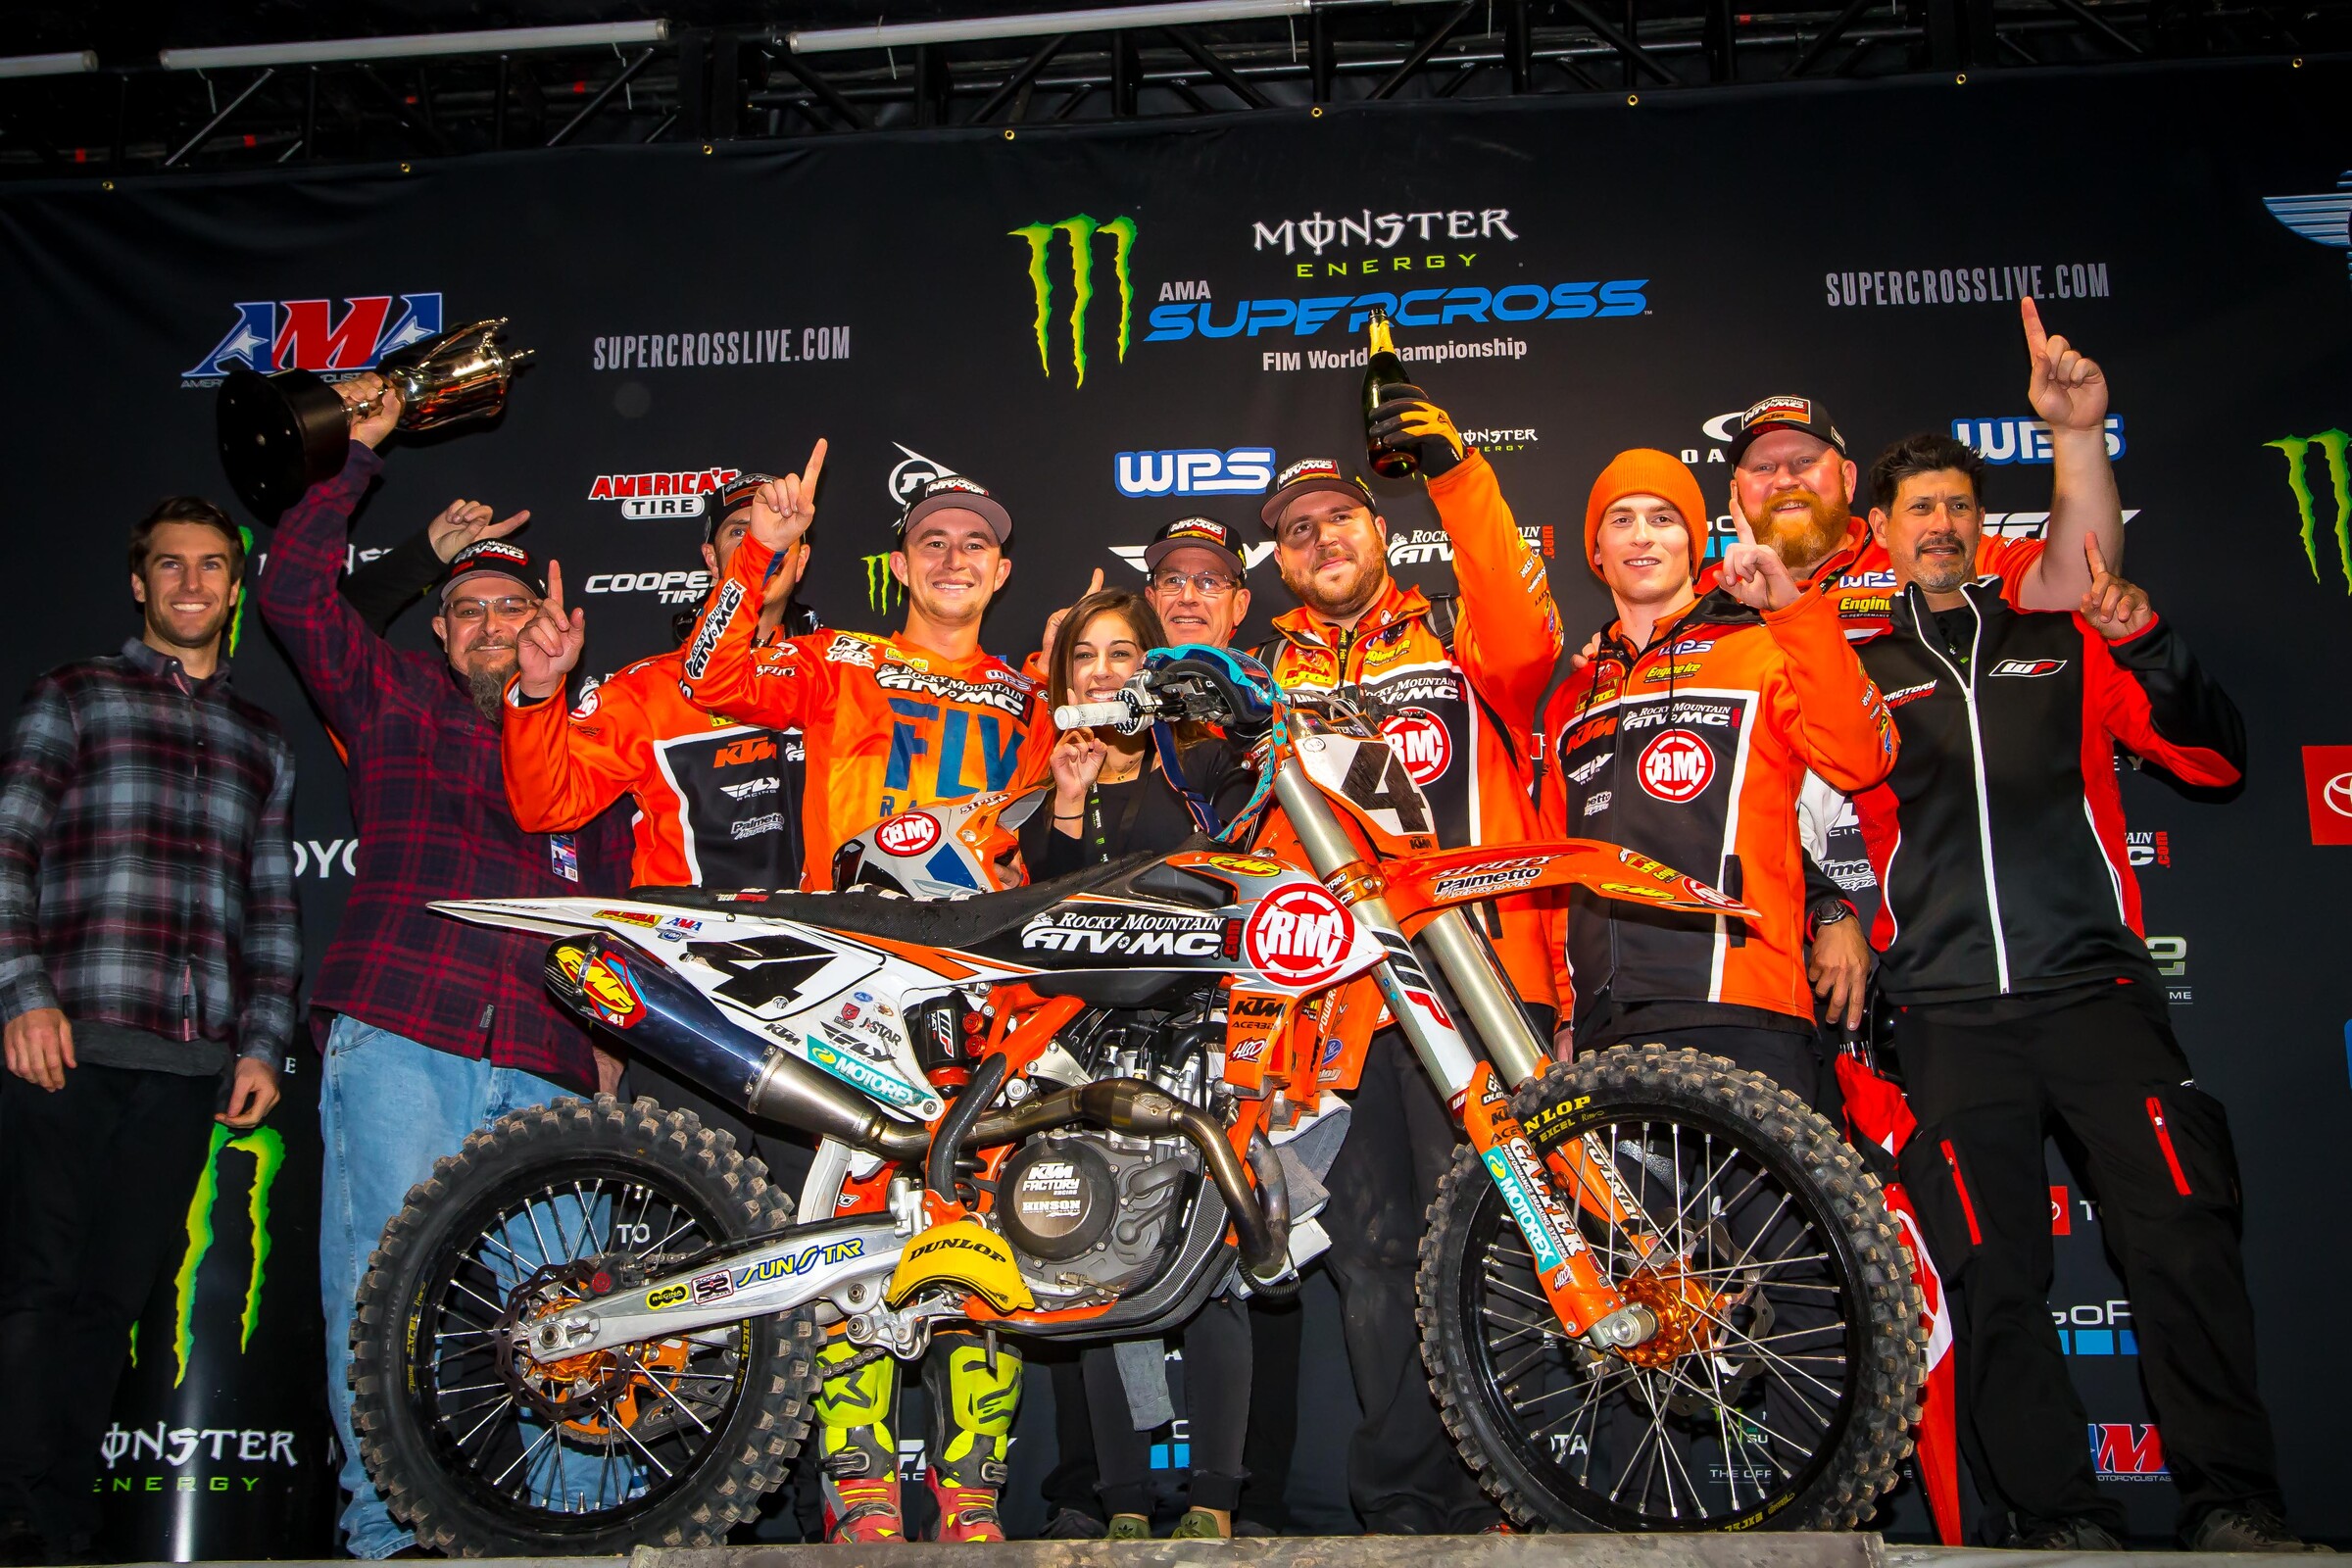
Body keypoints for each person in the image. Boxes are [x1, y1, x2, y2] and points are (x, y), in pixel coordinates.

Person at [1850, 433, 2314, 1553]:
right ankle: (2062, 1519)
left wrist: (2145, 640)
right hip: (1947, 1013)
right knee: (1989, 1272)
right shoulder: (1857, 671)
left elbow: (2213, 760)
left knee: (2183, 1241)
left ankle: (2234, 1503)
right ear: (1879, 529)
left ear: (1985, 523)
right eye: (1919, 509)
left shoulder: (2062, 638)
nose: (1942, 527)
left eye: (1960, 506)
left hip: (2096, 993)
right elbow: (1812, 830)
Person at [255, 369, 629, 1559]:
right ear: (437, 630)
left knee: (573, 1320)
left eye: (509, 609)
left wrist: (611, 1052)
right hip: (400, 1031)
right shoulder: (390, 696)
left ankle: (569, 1527)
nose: (486, 625)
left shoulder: (589, 750)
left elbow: (619, 917)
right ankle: (395, 1532)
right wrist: (355, 463)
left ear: (546, 630)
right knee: (382, 1295)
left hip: (548, 1053)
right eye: (463, 610)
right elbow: (296, 596)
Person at [679, 456, 1053, 1544]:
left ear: (1002, 571)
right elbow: (709, 675)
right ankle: (860, 1490)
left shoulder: (1033, 694)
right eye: (931, 542)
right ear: (898, 566)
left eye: (973, 544)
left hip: (992, 987)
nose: (952, 558)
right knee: (842, 1229)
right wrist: (757, 552)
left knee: (995, 1222)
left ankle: (972, 1490)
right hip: (852, 973)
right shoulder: (839, 657)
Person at [1247, 382, 1559, 1535]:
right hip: (1339, 1011)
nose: (1322, 538)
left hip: (1477, 987)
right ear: (1277, 566)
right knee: (1374, 1253)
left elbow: (1531, 636)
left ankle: (1520, 1482)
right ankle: (1405, 1499)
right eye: (1296, 531)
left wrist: (1458, 473)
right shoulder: (1262, 678)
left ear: (1382, 531)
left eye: (1340, 518)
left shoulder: (1463, 637)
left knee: (1505, 1228)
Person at [0, 498, 295, 1565]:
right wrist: (21, 992)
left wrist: (263, 1040)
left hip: (189, 1064)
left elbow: (271, 904)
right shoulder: (73, 695)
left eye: (211, 567)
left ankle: (60, 1522)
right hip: (65, 1041)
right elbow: (9, 851)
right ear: (140, 582)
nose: (190, 584)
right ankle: (13, 1511)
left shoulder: (263, 738)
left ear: (233, 586)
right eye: (169, 566)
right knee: (37, 1280)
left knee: (112, 1298)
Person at [1718, 298, 2123, 1031]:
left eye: (1804, 463)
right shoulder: (1708, 607)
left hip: (1935, 908)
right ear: (1736, 495)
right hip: (1779, 909)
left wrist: (2078, 434)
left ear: (1846, 478)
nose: (1785, 481)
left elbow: (2074, 578)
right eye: (1762, 468)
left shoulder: (1924, 554)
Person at [1538, 447, 1895, 1085]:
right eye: (1621, 520)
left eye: (1663, 518)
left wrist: (1790, 612)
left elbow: (1861, 757)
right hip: (1607, 1025)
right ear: (1595, 552)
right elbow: (1551, 871)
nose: (1642, 535)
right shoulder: (1573, 697)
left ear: (1695, 541)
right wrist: (1567, 1012)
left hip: (1746, 1010)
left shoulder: (1761, 649)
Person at [1020, 589, 1251, 1541]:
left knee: (1213, 1273)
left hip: (1203, 1044)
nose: (1105, 672)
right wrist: (1068, 800)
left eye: (1125, 653)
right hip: (1090, 1059)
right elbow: (1046, 933)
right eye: (1086, 656)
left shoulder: (1201, 768)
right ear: (1064, 678)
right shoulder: (1046, 793)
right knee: (1094, 1269)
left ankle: (1215, 1501)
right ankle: (1120, 1501)